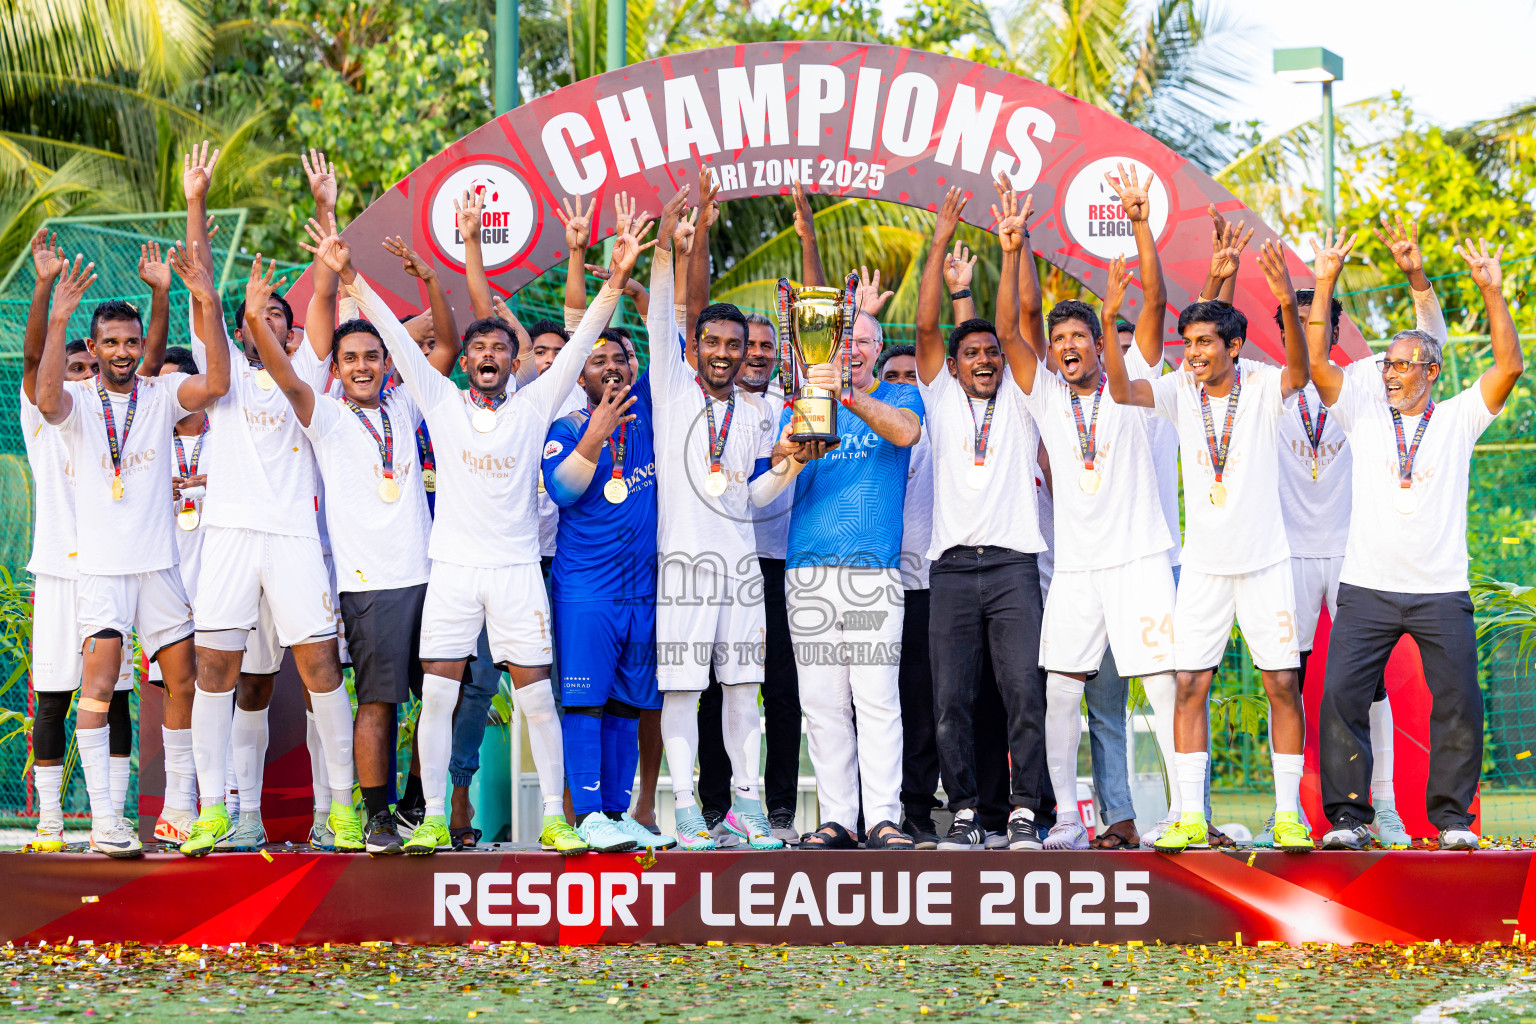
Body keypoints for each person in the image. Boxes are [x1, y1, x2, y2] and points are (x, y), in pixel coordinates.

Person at [338, 202, 645, 856]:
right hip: (452, 572)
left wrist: (617, 278)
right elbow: (396, 339)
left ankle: (557, 821)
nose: (486, 354)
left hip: (516, 572)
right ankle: (430, 820)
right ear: (465, 361)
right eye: (477, 347)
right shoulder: (440, 401)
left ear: (513, 360)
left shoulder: (534, 405)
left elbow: (585, 339)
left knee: (537, 699)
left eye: (498, 348)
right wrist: (351, 280)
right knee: (438, 696)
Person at [1309, 230, 1523, 852]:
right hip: (1367, 587)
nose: (1391, 373)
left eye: (1403, 364)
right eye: (1387, 364)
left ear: (1431, 371)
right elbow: (1318, 365)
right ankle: (1348, 821)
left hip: (1439, 590)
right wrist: (1325, 279)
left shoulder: (1457, 417)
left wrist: (1491, 291)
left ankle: (1453, 821)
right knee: (1342, 698)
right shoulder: (1362, 413)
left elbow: (1508, 366)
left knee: (1458, 702)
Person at [176, 144, 362, 856]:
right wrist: (196, 200)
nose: (274, 320)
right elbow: (201, 286)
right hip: (227, 537)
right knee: (218, 675)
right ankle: (223, 813)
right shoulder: (219, 367)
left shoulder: (307, 368)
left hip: (292, 539)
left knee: (320, 671)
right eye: (263, 314)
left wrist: (325, 208)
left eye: (280, 316)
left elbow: (324, 291)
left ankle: (340, 812)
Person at [243, 239, 457, 852]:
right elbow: (287, 378)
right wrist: (256, 318)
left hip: (428, 576)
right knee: (379, 704)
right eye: (350, 359)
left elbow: (445, 346)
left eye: (372, 356)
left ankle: (419, 807)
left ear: (388, 362)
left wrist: (431, 283)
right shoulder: (327, 416)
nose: (363, 367)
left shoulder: (406, 402)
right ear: (335, 370)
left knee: (440, 697)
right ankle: (377, 816)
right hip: (368, 585)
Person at [1104, 237, 1313, 853]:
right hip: (1202, 570)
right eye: (1187, 343)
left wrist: (1283, 297)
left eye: (1203, 343)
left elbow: (1301, 374)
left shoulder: (1264, 384)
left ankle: (1288, 814)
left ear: (1234, 347)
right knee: (1190, 685)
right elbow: (1122, 391)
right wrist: (1112, 315)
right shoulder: (1178, 389)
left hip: (1266, 564)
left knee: (1282, 685)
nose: (1193, 353)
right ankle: (1190, 814)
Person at [1003, 168, 1180, 852]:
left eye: (1080, 336)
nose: (1069, 347)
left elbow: (1156, 302)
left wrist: (1139, 224)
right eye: (1061, 340)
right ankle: (1072, 821)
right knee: (1060, 691)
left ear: (1100, 343)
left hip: (1139, 559)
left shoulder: (1136, 382)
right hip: (1076, 569)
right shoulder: (1046, 395)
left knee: (1160, 685)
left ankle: (1183, 815)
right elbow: (1011, 331)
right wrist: (1012, 248)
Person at [34, 241, 229, 858]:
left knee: (184, 681)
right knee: (97, 689)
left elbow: (218, 382)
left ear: (142, 345)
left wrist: (201, 298)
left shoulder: (160, 394)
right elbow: (45, 400)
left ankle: (177, 811)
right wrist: (59, 316)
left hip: (159, 570)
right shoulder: (79, 404)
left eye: (131, 342)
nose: (122, 351)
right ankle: (105, 822)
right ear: (94, 350)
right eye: (110, 343)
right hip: (103, 572)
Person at [647, 180, 809, 852]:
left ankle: (746, 805)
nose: (722, 352)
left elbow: (752, 498)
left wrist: (791, 465)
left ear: (745, 352)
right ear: (696, 347)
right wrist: (668, 244)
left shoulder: (756, 412)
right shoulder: (670, 386)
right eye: (711, 341)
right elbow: (663, 314)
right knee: (683, 692)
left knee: (745, 688)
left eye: (732, 344)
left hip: (741, 568)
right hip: (684, 565)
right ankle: (687, 809)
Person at [913, 185, 1051, 851]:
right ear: (954, 365)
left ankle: (1024, 811)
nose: (986, 360)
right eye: (972, 354)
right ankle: (964, 811)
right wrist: (940, 238)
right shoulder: (939, 397)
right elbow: (925, 329)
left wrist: (1011, 247)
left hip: (1013, 566)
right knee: (951, 701)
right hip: (950, 570)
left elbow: (1018, 324)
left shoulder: (1023, 398)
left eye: (992, 353)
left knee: (1024, 692)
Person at [20, 231, 168, 852]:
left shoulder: (120, 402)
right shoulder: (45, 409)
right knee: (55, 697)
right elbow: (35, 358)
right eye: (75, 366)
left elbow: (148, 361)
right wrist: (46, 292)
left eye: (89, 367)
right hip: (62, 570)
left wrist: (159, 299)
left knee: (118, 697)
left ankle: (112, 818)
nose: (83, 374)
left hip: (114, 567)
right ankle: (51, 822)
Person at [780, 266, 923, 851]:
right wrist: (804, 421)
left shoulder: (900, 394)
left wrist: (848, 395)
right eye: (846, 340)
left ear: (877, 349)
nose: (855, 349)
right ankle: (838, 817)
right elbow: (779, 463)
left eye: (864, 341)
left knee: (876, 698)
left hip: (872, 571)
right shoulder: (800, 400)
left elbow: (906, 434)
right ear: (828, 345)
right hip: (807, 570)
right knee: (821, 704)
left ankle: (883, 817)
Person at [693, 178, 817, 847]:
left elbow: (821, 336)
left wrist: (808, 243)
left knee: (782, 692)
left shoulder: (792, 407)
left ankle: (779, 812)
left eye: (770, 348)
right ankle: (717, 810)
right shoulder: (717, 407)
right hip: (726, 560)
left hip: (783, 565)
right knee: (716, 686)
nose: (759, 355)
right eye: (752, 347)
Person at [542, 323, 673, 853]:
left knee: (626, 704)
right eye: (597, 362)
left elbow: (671, 336)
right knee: (585, 703)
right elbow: (562, 490)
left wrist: (647, 286)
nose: (610, 366)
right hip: (587, 589)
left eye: (619, 358)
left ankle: (617, 813)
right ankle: (589, 814)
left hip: (642, 589)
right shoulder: (567, 427)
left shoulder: (650, 414)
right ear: (580, 377)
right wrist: (596, 434)